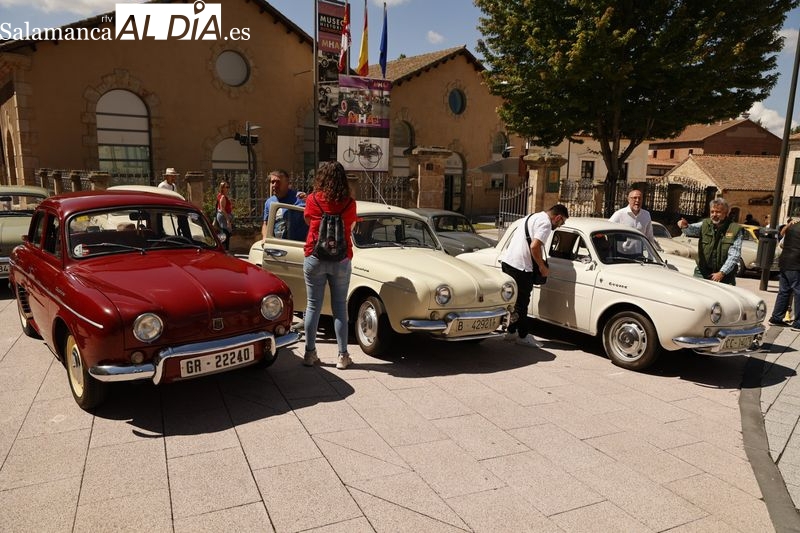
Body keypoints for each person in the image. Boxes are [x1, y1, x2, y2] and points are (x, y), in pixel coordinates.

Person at [302, 161, 358, 369]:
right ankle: (342, 356)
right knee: (340, 308)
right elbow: (351, 226)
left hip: (315, 257)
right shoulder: (349, 203)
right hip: (341, 259)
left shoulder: (312, 199)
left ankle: (309, 354)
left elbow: (308, 221)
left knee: (313, 306)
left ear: (321, 178)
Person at [499, 204, 569, 347]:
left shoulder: (533, 216)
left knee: (513, 302)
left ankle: (511, 332)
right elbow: (535, 246)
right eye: (562, 222)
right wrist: (542, 266)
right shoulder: (546, 224)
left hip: (509, 262)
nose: (560, 226)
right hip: (521, 267)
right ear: (558, 217)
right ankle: (523, 336)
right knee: (522, 303)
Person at [677, 197, 743, 285]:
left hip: (725, 275)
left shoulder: (735, 229)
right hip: (703, 272)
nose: (714, 214)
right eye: (712, 212)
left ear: (726, 213)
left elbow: (734, 255)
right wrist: (684, 226)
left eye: (718, 212)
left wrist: (722, 273)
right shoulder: (705, 224)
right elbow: (691, 230)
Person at [770, 219, 800, 328]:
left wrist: (788, 225)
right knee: (798, 292)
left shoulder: (792, 226)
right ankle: (798, 323)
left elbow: (781, 236)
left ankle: (776, 318)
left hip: (785, 262)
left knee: (784, 291)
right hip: (796, 264)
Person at [262, 169, 308, 241]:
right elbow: (266, 224)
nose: (274, 185)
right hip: (278, 245)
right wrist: (265, 238)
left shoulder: (300, 198)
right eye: (272, 182)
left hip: (297, 245)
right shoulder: (269, 202)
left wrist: (308, 201)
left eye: (278, 182)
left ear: (287, 183)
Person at [215, 181, 234, 251]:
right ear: (222, 188)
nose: (228, 189)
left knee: (225, 232)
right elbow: (222, 209)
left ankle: (225, 249)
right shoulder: (223, 197)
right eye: (226, 187)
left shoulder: (221, 195)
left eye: (228, 187)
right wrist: (227, 220)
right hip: (224, 216)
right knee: (226, 232)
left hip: (223, 216)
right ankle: (226, 249)